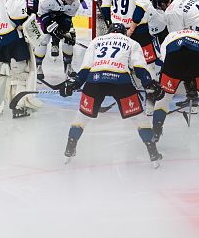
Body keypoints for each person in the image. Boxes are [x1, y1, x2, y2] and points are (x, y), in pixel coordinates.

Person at [60, 23, 164, 168]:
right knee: (139, 119)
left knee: (82, 116)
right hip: (121, 82)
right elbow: (140, 67)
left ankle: (69, 149)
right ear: (124, 32)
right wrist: (149, 84)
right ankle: (153, 154)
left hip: (95, 81)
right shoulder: (131, 42)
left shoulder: (96, 41)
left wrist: (74, 84)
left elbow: (85, 69)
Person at [152, 28, 199, 145]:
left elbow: (165, 58)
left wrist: (178, 77)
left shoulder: (171, 35)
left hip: (174, 57)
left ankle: (156, 131)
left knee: (164, 98)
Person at [34, 0, 80, 78]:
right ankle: (37, 66)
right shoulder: (46, 0)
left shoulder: (75, 2)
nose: (73, 0)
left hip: (61, 13)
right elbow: (43, 18)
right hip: (42, 11)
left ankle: (68, 65)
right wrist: (54, 29)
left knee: (69, 38)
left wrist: (64, 32)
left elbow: (67, 19)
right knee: (43, 39)